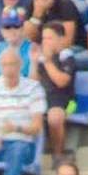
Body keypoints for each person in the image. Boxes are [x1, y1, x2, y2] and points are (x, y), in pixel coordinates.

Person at [33, 21, 77, 166]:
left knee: (55, 117)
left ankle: (58, 154)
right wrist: (34, 63)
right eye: (44, 38)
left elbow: (62, 82)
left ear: (61, 39)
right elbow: (32, 82)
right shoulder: (42, 58)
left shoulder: (67, 56)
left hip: (70, 103)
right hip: (45, 99)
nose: (45, 42)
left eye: (49, 38)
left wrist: (47, 61)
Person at [0, 8, 34, 77]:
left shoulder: (33, 49)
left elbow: (36, 81)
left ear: (22, 28)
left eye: (16, 26)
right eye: (7, 27)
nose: (12, 30)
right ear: (1, 30)